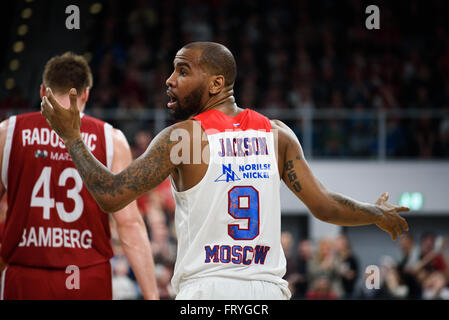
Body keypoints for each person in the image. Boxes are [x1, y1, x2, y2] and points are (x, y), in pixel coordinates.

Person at [41, 42, 410, 300]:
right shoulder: (277, 134)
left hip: (207, 292)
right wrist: (374, 213)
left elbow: (110, 194)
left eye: (182, 71)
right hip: (266, 292)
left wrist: (73, 138)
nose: (169, 80)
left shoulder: (182, 138)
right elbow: (325, 205)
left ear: (217, 83)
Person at [0, 52, 159, 300]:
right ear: (85, 94)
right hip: (87, 275)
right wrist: (152, 296)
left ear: (43, 91)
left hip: (25, 272)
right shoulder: (111, 139)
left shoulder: (8, 133)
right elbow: (129, 224)